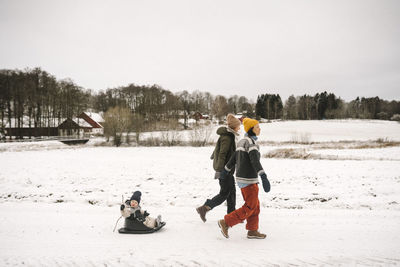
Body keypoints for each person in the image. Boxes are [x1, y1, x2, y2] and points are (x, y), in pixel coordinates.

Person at [217, 118, 271, 239]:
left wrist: (226, 169)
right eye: (257, 127)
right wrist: (263, 175)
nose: (259, 129)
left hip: (242, 178)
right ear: (252, 129)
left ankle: (252, 230)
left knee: (255, 205)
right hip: (248, 180)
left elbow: (234, 157)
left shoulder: (242, 141)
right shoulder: (251, 143)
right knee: (250, 206)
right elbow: (254, 160)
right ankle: (226, 223)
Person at [196, 114, 241, 222]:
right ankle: (205, 208)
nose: (240, 127)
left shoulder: (229, 136)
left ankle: (231, 216)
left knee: (232, 192)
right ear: (234, 127)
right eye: (239, 126)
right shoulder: (227, 137)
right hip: (225, 170)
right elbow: (222, 153)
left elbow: (217, 150)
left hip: (228, 169)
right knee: (225, 193)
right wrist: (221, 170)